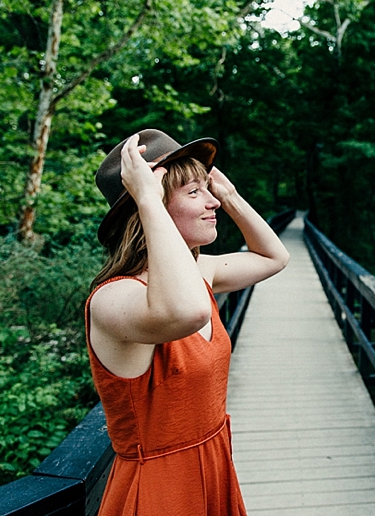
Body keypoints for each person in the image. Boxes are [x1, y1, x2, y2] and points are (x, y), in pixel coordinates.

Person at [85, 129, 290, 515]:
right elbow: (186, 312)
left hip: (214, 465)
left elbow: (274, 258)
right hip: (160, 491)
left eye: (207, 189)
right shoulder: (112, 299)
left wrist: (228, 195)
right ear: (150, 208)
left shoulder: (202, 271)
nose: (211, 201)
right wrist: (147, 198)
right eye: (194, 192)